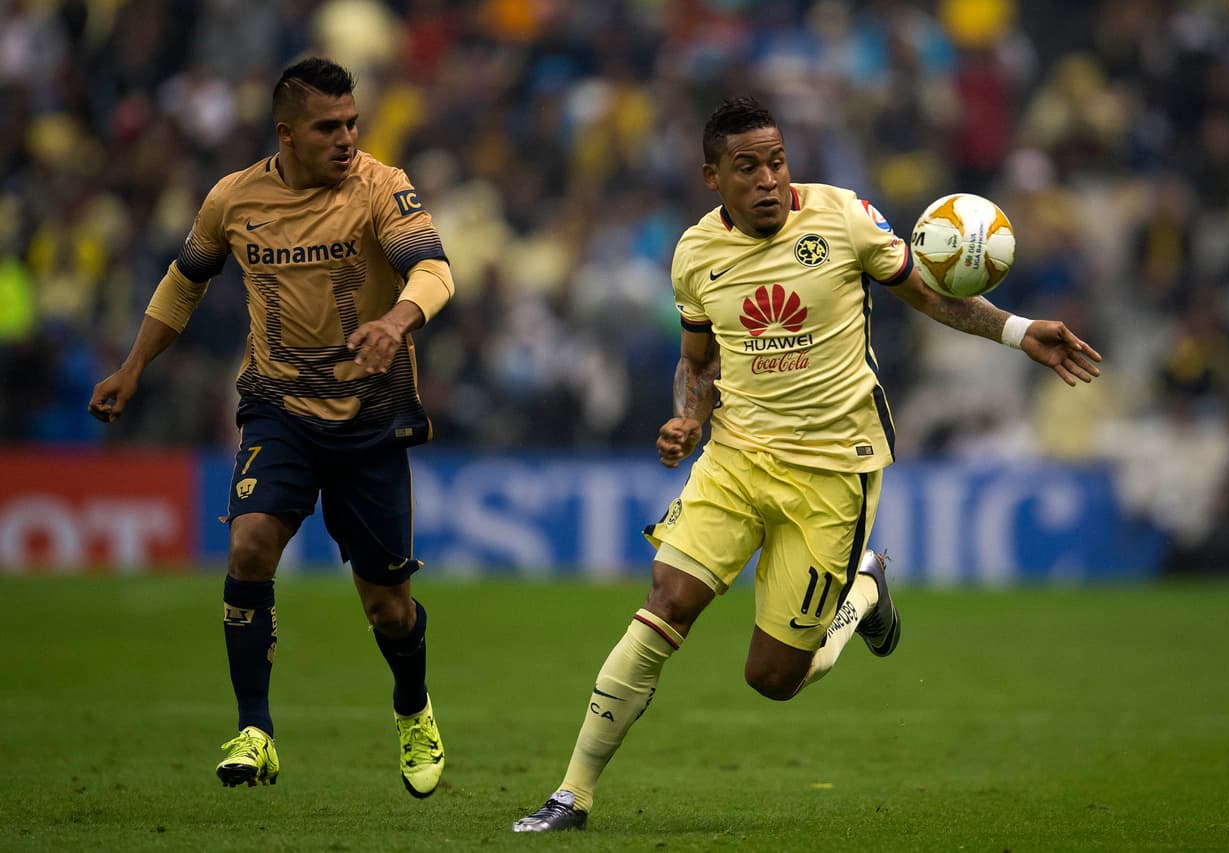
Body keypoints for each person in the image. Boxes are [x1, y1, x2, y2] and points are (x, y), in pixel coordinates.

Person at [512, 97, 1102, 832]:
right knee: (668, 600)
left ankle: (863, 587)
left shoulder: (843, 216)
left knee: (774, 678)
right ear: (712, 176)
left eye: (778, 161)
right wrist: (688, 417)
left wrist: (1019, 331)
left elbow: (928, 294)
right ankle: (572, 795)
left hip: (833, 469)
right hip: (735, 458)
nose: (769, 180)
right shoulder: (695, 253)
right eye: (748, 167)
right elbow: (697, 362)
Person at [88, 58, 454, 797]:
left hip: (371, 418)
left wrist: (396, 318)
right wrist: (133, 365)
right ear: (286, 133)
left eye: (353, 122)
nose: (347, 137)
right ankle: (255, 727)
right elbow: (184, 280)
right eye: (328, 127)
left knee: (387, 603)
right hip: (277, 406)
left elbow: (435, 269)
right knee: (251, 543)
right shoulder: (232, 198)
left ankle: (412, 706)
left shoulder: (383, 185)